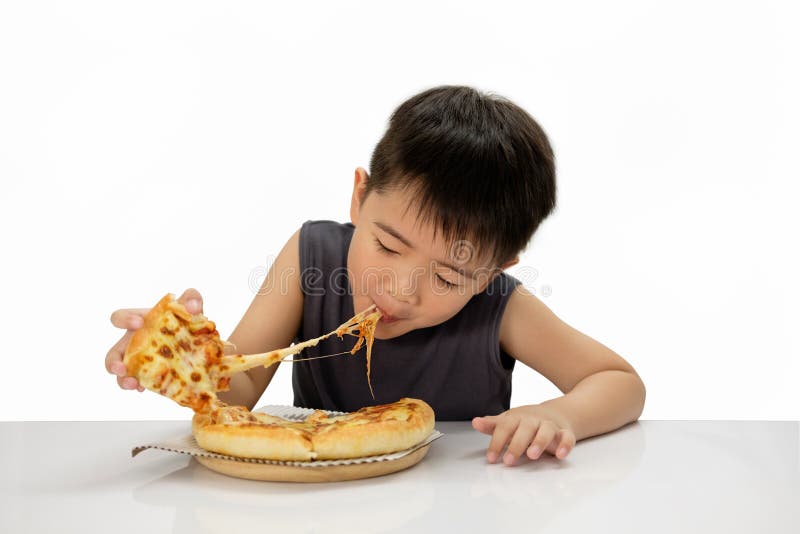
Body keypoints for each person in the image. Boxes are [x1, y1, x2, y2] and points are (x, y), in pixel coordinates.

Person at [105, 85, 646, 467]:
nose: (399, 289)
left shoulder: (501, 306)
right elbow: (239, 392)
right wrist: (186, 363)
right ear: (360, 199)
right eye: (388, 245)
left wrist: (560, 416)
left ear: (492, 273)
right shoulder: (310, 258)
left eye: (450, 277)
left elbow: (621, 383)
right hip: (314, 505)